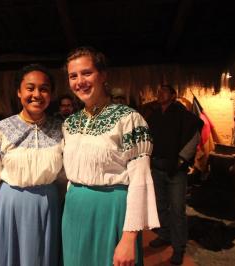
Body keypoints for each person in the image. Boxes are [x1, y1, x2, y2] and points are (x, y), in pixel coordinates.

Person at [61, 46, 160, 266]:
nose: (80, 81)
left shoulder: (129, 119)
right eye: (73, 76)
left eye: (87, 73)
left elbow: (140, 180)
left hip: (111, 211)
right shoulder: (69, 124)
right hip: (74, 211)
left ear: (103, 75)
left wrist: (129, 238)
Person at [0, 64, 63, 266]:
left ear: (51, 94)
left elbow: (67, 176)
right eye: (30, 88)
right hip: (9, 209)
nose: (37, 94)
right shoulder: (1, 129)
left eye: (44, 89)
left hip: (47, 209)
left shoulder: (61, 129)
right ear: (19, 92)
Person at [147, 85, 202, 265]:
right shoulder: (154, 115)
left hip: (176, 171)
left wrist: (181, 160)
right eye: (158, 91)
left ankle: (179, 247)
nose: (160, 93)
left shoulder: (182, 114)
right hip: (157, 167)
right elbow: (147, 137)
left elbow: (195, 132)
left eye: (164, 91)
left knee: (177, 210)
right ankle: (164, 234)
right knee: (160, 205)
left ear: (173, 95)